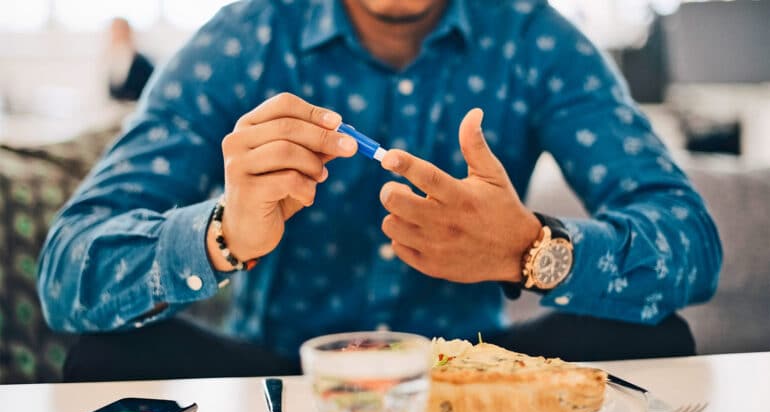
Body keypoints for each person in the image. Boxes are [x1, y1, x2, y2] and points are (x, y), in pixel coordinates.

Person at [38, 0, 722, 381]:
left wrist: (536, 250)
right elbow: (69, 269)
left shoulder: (534, 39)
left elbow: (690, 239)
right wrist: (222, 233)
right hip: (277, 373)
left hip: (471, 367)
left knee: (655, 335)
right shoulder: (244, 38)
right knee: (105, 357)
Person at [106, 18, 154, 101]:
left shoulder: (142, 62)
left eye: (120, 30)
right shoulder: (112, 61)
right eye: (114, 31)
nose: (116, 34)